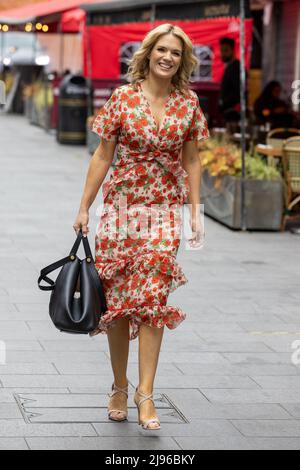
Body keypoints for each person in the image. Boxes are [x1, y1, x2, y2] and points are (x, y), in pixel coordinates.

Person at [73, 23, 209, 430]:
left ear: (183, 61)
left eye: (176, 53)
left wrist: (195, 211)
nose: (168, 57)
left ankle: (145, 394)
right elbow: (102, 155)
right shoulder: (122, 98)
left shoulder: (188, 102)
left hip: (164, 209)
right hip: (120, 208)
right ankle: (118, 385)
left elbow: (194, 160)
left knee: (151, 300)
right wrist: (84, 206)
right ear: (149, 53)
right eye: (162, 50)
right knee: (117, 303)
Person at [219, 37, 246, 128]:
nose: (223, 54)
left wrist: (224, 103)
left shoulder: (236, 67)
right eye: (221, 50)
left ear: (232, 50)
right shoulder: (231, 66)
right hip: (229, 112)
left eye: (226, 50)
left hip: (233, 114)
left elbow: (239, 91)